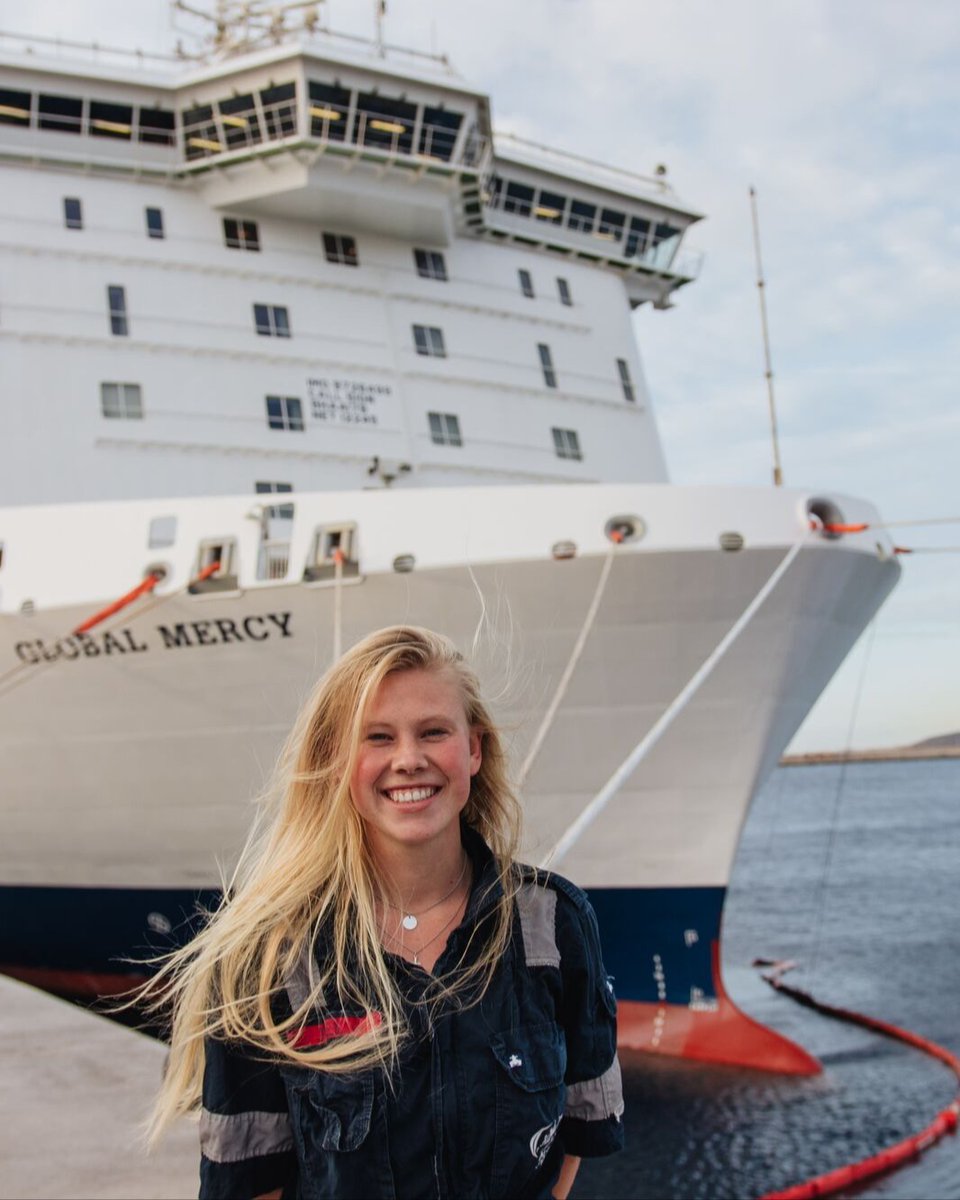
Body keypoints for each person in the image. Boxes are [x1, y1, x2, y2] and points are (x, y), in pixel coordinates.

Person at [148, 625, 624, 1199]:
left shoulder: (551, 923)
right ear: (336, 762)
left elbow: (583, 1122)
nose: (408, 759)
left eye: (433, 732)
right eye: (376, 737)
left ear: (474, 749)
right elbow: (248, 1178)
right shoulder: (269, 953)